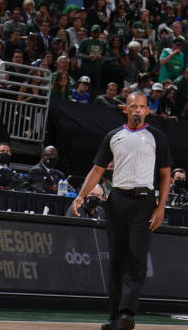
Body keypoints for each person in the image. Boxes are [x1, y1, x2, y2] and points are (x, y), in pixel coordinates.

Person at [70, 90, 171, 330]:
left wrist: (161, 207)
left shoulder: (157, 137)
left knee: (136, 258)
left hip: (144, 201)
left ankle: (127, 314)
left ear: (148, 110)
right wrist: (81, 195)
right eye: (133, 106)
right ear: (125, 109)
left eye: (143, 106)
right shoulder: (113, 136)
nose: (138, 110)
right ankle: (114, 316)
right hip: (117, 200)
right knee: (116, 260)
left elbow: (166, 175)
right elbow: (97, 169)